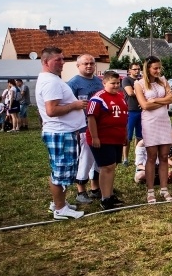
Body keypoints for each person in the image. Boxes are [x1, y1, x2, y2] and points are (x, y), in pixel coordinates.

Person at [35, 47, 87, 220]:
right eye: (58, 60)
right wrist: (75, 105)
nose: (62, 63)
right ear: (45, 62)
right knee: (61, 172)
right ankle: (60, 209)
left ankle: (59, 203)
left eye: (63, 59)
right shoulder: (51, 82)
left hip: (62, 132)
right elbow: (51, 110)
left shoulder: (51, 79)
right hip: (60, 133)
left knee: (59, 170)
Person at [134, 55, 172, 203]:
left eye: (159, 68)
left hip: (164, 120)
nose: (158, 70)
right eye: (155, 68)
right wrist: (162, 102)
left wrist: (156, 100)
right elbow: (144, 105)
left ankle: (164, 189)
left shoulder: (163, 81)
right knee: (151, 157)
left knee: (164, 156)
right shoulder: (139, 84)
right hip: (150, 122)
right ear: (148, 69)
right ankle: (150, 191)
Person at [86, 71, 127, 210]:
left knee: (112, 166)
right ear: (104, 83)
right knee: (106, 167)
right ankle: (105, 199)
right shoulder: (98, 98)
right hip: (103, 139)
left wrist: (124, 135)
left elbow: (123, 117)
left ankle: (109, 194)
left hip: (116, 138)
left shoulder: (121, 97)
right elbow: (91, 117)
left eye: (118, 83)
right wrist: (95, 137)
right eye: (112, 83)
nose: (116, 86)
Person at [66, 54, 103, 204]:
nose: (89, 66)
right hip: (81, 127)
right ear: (78, 66)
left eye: (91, 63)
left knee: (97, 158)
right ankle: (81, 190)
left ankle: (95, 188)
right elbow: (67, 105)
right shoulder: (73, 84)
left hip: (99, 126)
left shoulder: (99, 82)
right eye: (85, 63)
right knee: (84, 158)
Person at [121, 62, 143, 165]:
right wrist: (141, 94)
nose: (137, 71)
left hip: (141, 110)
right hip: (130, 111)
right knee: (128, 137)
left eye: (138, 69)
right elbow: (130, 92)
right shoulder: (126, 80)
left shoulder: (141, 80)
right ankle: (125, 158)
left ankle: (137, 157)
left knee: (139, 136)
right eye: (134, 69)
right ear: (129, 70)